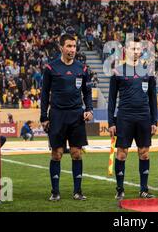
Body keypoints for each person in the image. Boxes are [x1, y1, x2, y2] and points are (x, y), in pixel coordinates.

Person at [40, 33, 93, 202]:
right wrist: (43, 117)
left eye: (74, 46)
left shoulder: (82, 69)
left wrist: (89, 109)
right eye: (69, 46)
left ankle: (77, 191)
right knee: (57, 154)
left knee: (77, 153)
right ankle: (55, 192)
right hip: (57, 115)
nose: (72, 49)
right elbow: (44, 94)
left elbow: (87, 92)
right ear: (61, 47)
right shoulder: (50, 68)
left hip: (76, 115)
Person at [108, 37, 158, 200]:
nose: (136, 52)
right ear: (126, 50)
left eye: (138, 49)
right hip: (125, 117)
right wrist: (110, 122)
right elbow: (111, 99)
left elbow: (152, 99)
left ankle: (144, 189)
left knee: (144, 154)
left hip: (144, 117)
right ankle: (120, 189)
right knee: (122, 154)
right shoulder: (117, 71)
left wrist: (154, 121)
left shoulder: (148, 71)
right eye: (133, 49)